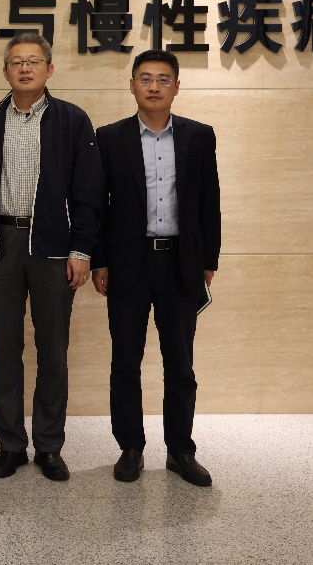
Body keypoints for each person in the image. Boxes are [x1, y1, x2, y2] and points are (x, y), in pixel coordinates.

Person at [0, 32, 103, 482]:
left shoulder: (72, 120)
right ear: (5, 71)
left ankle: (49, 445)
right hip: (1, 245)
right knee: (3, 350)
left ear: (50, 69)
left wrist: (81, 250)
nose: (24, 68)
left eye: (33, 61)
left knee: (52, 349)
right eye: (16, 62)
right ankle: (10, 444)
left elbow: (89, 192)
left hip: (53, 247)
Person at [91, 49, 221, 487]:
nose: (153, 86)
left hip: (181, 263)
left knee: (180, 364)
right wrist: (100, 260)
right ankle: (130, 447)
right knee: (126, 361)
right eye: (145, 78)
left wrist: (208, 261)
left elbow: (209, 201)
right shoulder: (110, 137)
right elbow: (98, 205)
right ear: (131, 85)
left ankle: (181, 451)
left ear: (177, 87)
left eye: (163, 79)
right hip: (128, 262)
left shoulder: (199, 136)